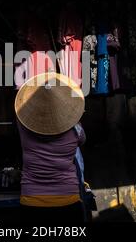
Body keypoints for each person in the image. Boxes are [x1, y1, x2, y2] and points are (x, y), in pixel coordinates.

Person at [14, 72, 86, 223]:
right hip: (68, 200)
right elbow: (81, 137)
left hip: (31, 200)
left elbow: (20, 102)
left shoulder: (23, 126)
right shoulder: (77, 130)